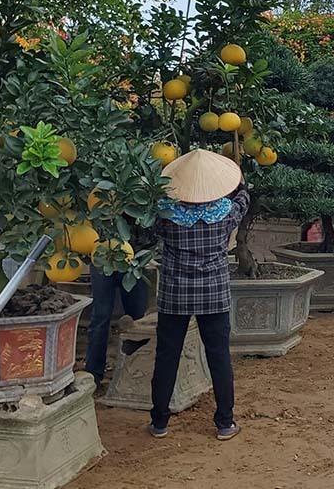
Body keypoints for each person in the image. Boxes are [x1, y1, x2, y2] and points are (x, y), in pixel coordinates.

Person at [148, 148, 249, 441]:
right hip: (213, 293)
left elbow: (145, 228)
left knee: (167, 355)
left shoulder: (166, 215)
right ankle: (225, 422)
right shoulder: (225, 213)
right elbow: (243, 198)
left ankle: (159, 422)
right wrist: (238, 181)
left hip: (174, 294)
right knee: (219, 356)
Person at [83, 268, 149, 387]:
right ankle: (93, 374)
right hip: (102, 260)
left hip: (134, 260)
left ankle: (136, 371)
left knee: (137, 320)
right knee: (100, 318)